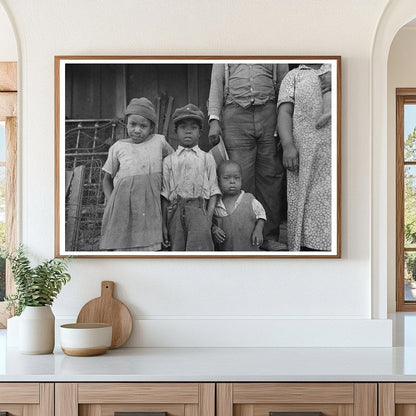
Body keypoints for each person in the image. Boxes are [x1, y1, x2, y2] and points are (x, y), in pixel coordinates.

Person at [207, 63, 288, 251]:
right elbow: (216, 84)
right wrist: (214, 120)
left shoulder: (275, 47)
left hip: (269, 114)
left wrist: (283, 122)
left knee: (271, 177)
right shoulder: (224, 48)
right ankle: (242, 237)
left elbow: (284, 85)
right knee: (239, 177)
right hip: (235, 114)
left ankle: (268, 237)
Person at [100, 97, 174, 251]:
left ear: (151, 128)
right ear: (126, 123)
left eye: (143, 126)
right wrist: (111, 203)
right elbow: (106, 179)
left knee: (149, 248)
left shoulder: (159, 142)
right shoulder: (118, 147)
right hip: (123, 208)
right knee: (123, 248)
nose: (137, 130)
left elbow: (174, 162)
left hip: (151, 206)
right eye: (133, 124)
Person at [277, 64, 332, 251]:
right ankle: (307, 249)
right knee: (305, 201)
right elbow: (284, 112)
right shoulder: (294, 76)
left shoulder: (338, 69)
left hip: (332, 151)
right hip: (303, 152)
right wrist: (287, 145)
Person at [161, 103, 221, 251]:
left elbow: (214, 191)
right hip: (175, 211)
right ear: (175, 131)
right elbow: (165, 194)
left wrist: (208, 218)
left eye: (193, 128)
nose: (188, 132)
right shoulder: (169, 160)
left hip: (199, 211)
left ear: (200, 132)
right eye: (183, 127)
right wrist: (163, 224)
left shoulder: (207, 158)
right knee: (178, 254)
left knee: (200, 254)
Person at [212, 160, 266, 251]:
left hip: (250, 252)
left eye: (236, 178)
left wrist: (258, 230)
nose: (232, 181)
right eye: (226, 178)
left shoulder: (249, 200)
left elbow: (261, 216)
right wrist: (214, 229)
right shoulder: (216, 204)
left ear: (241, 179)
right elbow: (211, 222)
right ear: (218, 180)